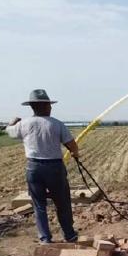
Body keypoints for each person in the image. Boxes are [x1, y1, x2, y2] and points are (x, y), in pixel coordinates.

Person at [7, 89, 79, 243]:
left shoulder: (23, 124)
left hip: (34, 168)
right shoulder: (57, 124)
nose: (51, 108)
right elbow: (72, 145)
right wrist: (75, 153)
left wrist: (12, 122)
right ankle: (69, 235)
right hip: (54, 168)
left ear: (32, 107)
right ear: (46, 106)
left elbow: (9, 132)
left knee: (39, 205)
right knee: (62, 203)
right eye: (49, 105)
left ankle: (45, 238)